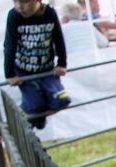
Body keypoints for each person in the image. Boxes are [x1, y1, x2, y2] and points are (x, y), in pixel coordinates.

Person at [4, 0, 70, 130]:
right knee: (35, 106)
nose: (19, 6)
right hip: (24, 70)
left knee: (62, 100)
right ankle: (25, 119)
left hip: (46, 69)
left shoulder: (50, 13)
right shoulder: (14, 16)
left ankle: (36, 116)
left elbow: (58, 38)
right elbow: (9, 45)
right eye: (15, 1)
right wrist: (9, 73)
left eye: (24, 2)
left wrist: (62, 63)